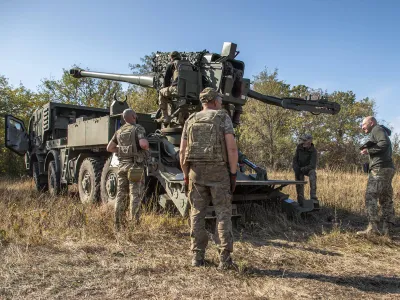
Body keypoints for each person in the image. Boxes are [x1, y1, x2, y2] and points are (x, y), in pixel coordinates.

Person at [180, 87, 238, 269]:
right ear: (213, 100)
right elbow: (232, 149)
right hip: (219, 172)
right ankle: (225, 260)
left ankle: (197, 257)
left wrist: (185, 174)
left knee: (197, 213)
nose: (221, 102)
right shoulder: (222, 117)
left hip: (196, 172)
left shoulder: (190, 119)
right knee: (223, 213)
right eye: (219, 99)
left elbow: (182, 151)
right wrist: (233, 173)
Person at [107, 109, 149, 231]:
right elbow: (144, 145)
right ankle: (134, 226)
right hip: (135, 167)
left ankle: (118, 224)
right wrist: (146, 144)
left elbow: (109, 148)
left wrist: (121, 150)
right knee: (135, 195)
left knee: (121, 195)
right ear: (134, 116)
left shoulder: (119, 131)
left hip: (122, 167)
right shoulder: (138, 128)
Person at [357, 116, 395, 236]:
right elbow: (384, 147)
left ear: (371, 123)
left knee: (370, 196)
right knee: (385, 198)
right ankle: (387, 228)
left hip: (380, 169)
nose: (362, 127)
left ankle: (373, 228)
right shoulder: (380, 130)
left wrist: (369, 150)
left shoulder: (377, 129)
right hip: (387, 168)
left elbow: (383, 143)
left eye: (363, 124)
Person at [157, 51, 192, 124]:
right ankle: (182, 119)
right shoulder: (189, 65)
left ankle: (164, 116)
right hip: (190, 91)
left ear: (171, 57)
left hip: (177, 89)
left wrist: (166, 91)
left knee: (161, 92)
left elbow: (166, 79)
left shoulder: (172, 64)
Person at [293, 134, 318, 206]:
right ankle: (300, 200)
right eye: (302, 140)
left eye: (304, 140)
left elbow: (312, 166)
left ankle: (313, 197)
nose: (302, 142)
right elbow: (295, 160)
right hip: (299, 169)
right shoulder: (299, 147)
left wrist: (302, 169)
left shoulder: (313, 151)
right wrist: (296, 168)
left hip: (308, 169)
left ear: (309, 142)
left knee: (313, 173)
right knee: (299, 182)